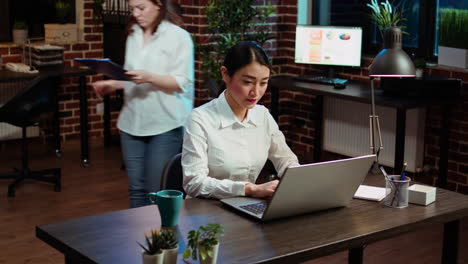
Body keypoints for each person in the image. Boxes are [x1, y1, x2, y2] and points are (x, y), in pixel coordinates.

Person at [92, 0, 194, 208]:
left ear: (158, 5)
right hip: (132, 122)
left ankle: (160, 239)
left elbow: (181, 82)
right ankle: (138, 240)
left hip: (165, 124)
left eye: (141, 8)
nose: (136, 14)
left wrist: (149, 77)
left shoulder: (178, 37)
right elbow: (132, 77)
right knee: (136, 191)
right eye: (132, 9)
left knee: (155, 193)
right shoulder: (134, 34)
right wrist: (113, 83)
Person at [182, 41, 299, 200]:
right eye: (247, 82)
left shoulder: (262, 115)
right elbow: (194, 183)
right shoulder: (200, 118)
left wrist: (297, 179)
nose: (255, 92)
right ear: (225, 74)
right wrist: (249, 189)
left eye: (263, 83)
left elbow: (286, 160)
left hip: (244, 205)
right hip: (204, 211)